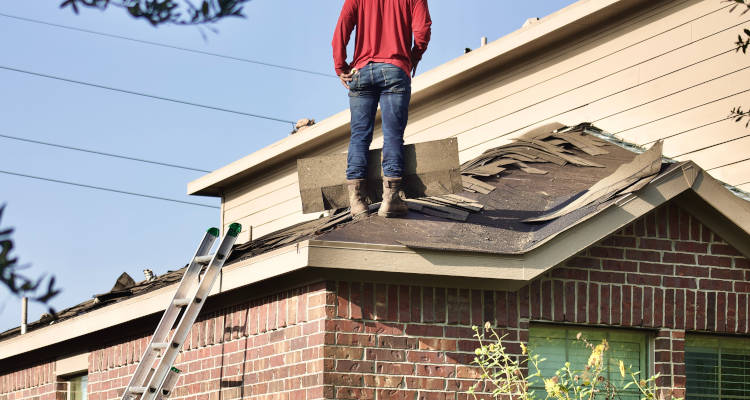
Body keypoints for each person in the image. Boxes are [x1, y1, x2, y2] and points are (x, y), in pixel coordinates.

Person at [332, 0, 432, 218]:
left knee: (359, 136)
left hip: (361, 70)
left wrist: (340, 66)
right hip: (395, 69)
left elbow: (341, 30)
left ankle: (357, 202)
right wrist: (412, 58)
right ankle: (391, 199)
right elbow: (422, 32)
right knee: (393, 135)